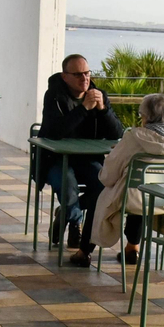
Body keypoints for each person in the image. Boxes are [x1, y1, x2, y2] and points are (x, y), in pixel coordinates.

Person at [74, 93, 164, 267]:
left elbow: (108, 176)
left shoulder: (134, 137)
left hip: (139, 199)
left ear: (146, 115)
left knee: (111, 194)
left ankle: (84, 252)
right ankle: (132, 248)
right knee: (140, 188)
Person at [39, 53, 123, 248]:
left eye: (87, 73)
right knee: (68, 186)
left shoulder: (99, 94)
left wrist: (103, 110)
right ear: (65, 77)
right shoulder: (54, 97)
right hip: (55, 158)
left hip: (87, 159)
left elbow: (116, 133)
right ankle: (76, 222)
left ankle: (66, 213)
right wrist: (83, 109)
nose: (84, 78)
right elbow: (54, 132)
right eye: (77, 74)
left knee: (105, 187)